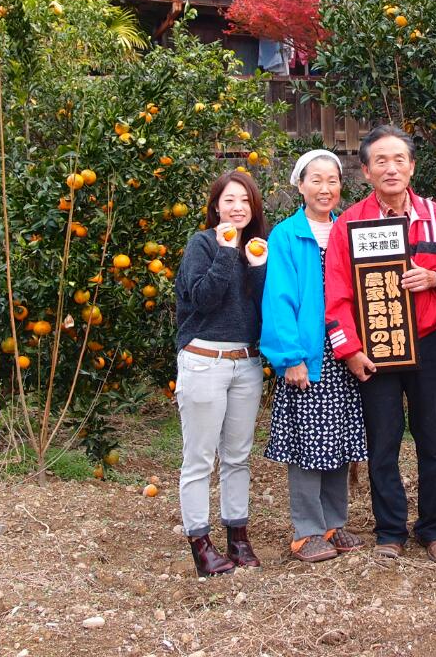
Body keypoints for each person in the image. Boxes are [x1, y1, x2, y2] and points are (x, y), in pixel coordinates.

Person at [324, 125, 436, 564]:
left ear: (412, 166)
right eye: (380, 160)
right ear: (365, 171)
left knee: (433, 440)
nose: (390, 168)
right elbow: (338, 295)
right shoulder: (350, 223)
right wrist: (349, 350)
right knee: (382, 443)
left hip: (428, 344)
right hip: (375, 350)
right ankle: (390, 530)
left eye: (399, 159)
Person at [261, 149, 368, 563]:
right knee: (308, 443)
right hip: (308, 352)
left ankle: (333, 523)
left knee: (337, 440)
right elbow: (279, 299)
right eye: (316, 180)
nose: (325, 188)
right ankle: (306, 530)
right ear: (300, 185)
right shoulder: (287, 235)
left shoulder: (347, 229)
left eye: (333, 180)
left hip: (344, 350)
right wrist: (290, 358)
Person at [174, 170, 269, 577]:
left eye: (245, 201)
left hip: (246, 363)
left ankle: (238, 537)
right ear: (216, 206)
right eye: (230, 200)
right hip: (204, 359)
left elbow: (263, 308)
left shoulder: (256, 247)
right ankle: (200, 542)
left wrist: (256, 267)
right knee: (198, 458)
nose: (237, 208)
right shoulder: (201, 244)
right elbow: (201, 298)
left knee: (237, 457)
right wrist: (227, 253)